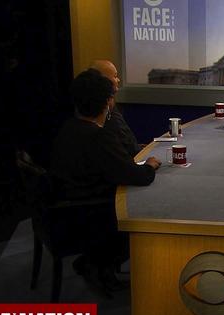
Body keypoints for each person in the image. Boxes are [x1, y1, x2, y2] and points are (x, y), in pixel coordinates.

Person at [50, 69, 161, 290]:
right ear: (107, 102)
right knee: (147, 215)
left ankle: (94, 261)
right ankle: (99, 264)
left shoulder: (69, 128)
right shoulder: (98, 137)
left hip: (63, 213)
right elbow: (135, 176)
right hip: (89, 216)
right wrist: (150, 165)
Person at [89, 60, 142, 158]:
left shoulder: (112, 104)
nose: (118, 80)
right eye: (115, 76)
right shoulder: (99, 113)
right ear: (103, 80)